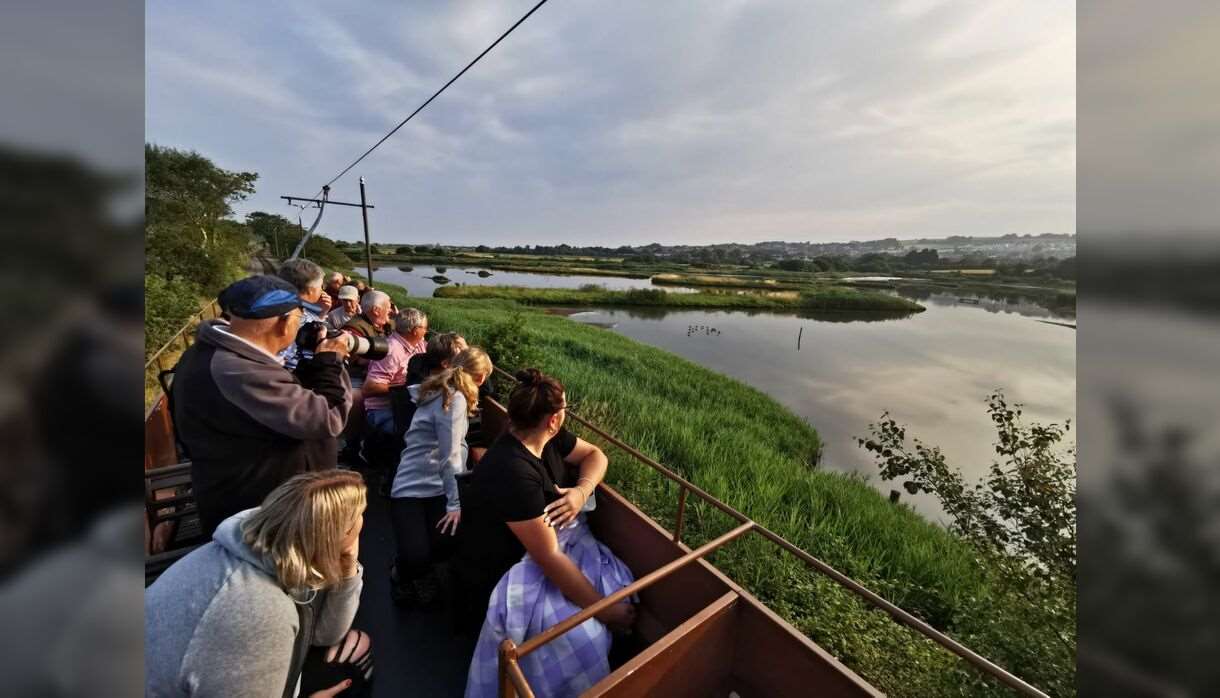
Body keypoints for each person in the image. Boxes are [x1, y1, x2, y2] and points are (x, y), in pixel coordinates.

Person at [459, 369, 636, 697]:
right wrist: (606, 611)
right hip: (507, 568)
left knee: (619, 584)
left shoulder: (548, 438)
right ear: (552, 419)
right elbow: (548, 557)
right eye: (565, 410)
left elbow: (596, 455)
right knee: (587, 639)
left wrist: (581, 492)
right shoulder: (513, 471)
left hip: (544, 544)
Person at [146, 471, 373, 698]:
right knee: (351, 675)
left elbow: (324, 634)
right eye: (360, 517)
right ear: (331, 538)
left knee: (352, 649)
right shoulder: (260, 610)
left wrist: (348, 567)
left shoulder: (274, 546)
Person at [170, 275, 352, 536]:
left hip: (250, 498)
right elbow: (327, 417)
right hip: (263, 516)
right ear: (283, 323)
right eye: (300, 318)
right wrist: (331, 361)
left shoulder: (215, 354)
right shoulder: (238, 370)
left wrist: (311, 369)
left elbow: (282, 400)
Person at [389, 347, 492, 606]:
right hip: (414, 485)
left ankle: (418, 571)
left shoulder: (436, 389)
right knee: (418, 554)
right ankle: (403, 573)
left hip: (434, 483)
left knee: (442, 544)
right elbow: (450, 457)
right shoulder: (454, 399)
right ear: (480, 379)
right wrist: (455, 503)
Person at [363, 308, 428, 437]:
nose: (426, 331)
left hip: (404, 406)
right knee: (422, 434)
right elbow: (369, 389)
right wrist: (407, 388)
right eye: (425, 328)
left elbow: (435, 353)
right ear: (415, 331)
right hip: (384, 410)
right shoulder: (392, 351)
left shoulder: (418, 343)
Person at [277, 259, 333, 370]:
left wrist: (322, 312)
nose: (323, 291)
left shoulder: (278, 303)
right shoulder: (295, 315)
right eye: (321, 286)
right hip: (292, 373)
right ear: (310, 290)